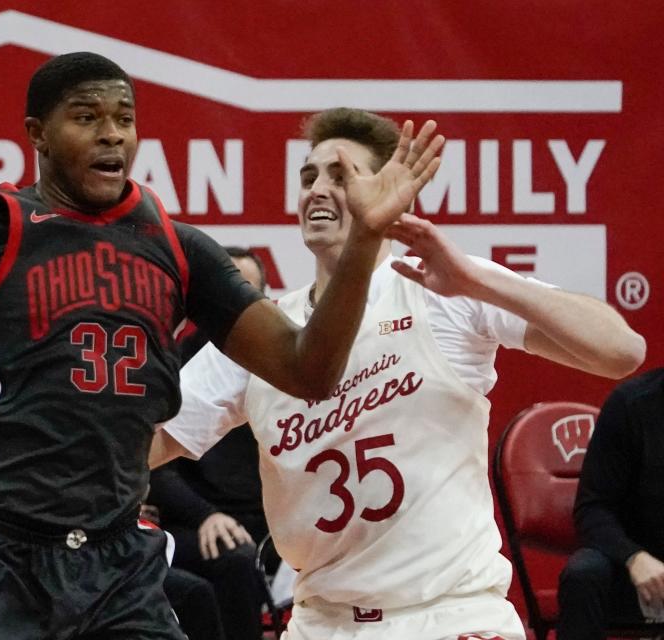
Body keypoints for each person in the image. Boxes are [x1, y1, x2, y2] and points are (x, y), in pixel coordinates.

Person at [0, 52, 443, 639]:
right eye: (87, 116)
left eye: (124, 117)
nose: (112, 134)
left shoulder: (178, 249)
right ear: (37, 135)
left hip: (119, 564)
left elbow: (310, 371)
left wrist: (362, 245)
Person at [151, 107, 646, 640]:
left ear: (393, 191)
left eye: (341, 176)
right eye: (309, 176)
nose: (318, 189)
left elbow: (620, 351)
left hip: (452, 616)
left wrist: (481, 284)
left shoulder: (443, 289)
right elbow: (148, 442)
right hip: (322, 621)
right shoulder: (268, 331)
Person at [150, 245, 269, 640]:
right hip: (195, 520)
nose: (235, 304)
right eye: (228, 289)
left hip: (272, 520)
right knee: (233, 558)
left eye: (246, 293)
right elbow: (154, 461)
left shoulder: (283, 362)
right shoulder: (173, 362)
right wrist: (205, 515)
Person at [557, 367, 664, 638]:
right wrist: (633, 557)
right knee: (584, 573)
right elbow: (592, 508)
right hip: (637, 569)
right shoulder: (632, 403)